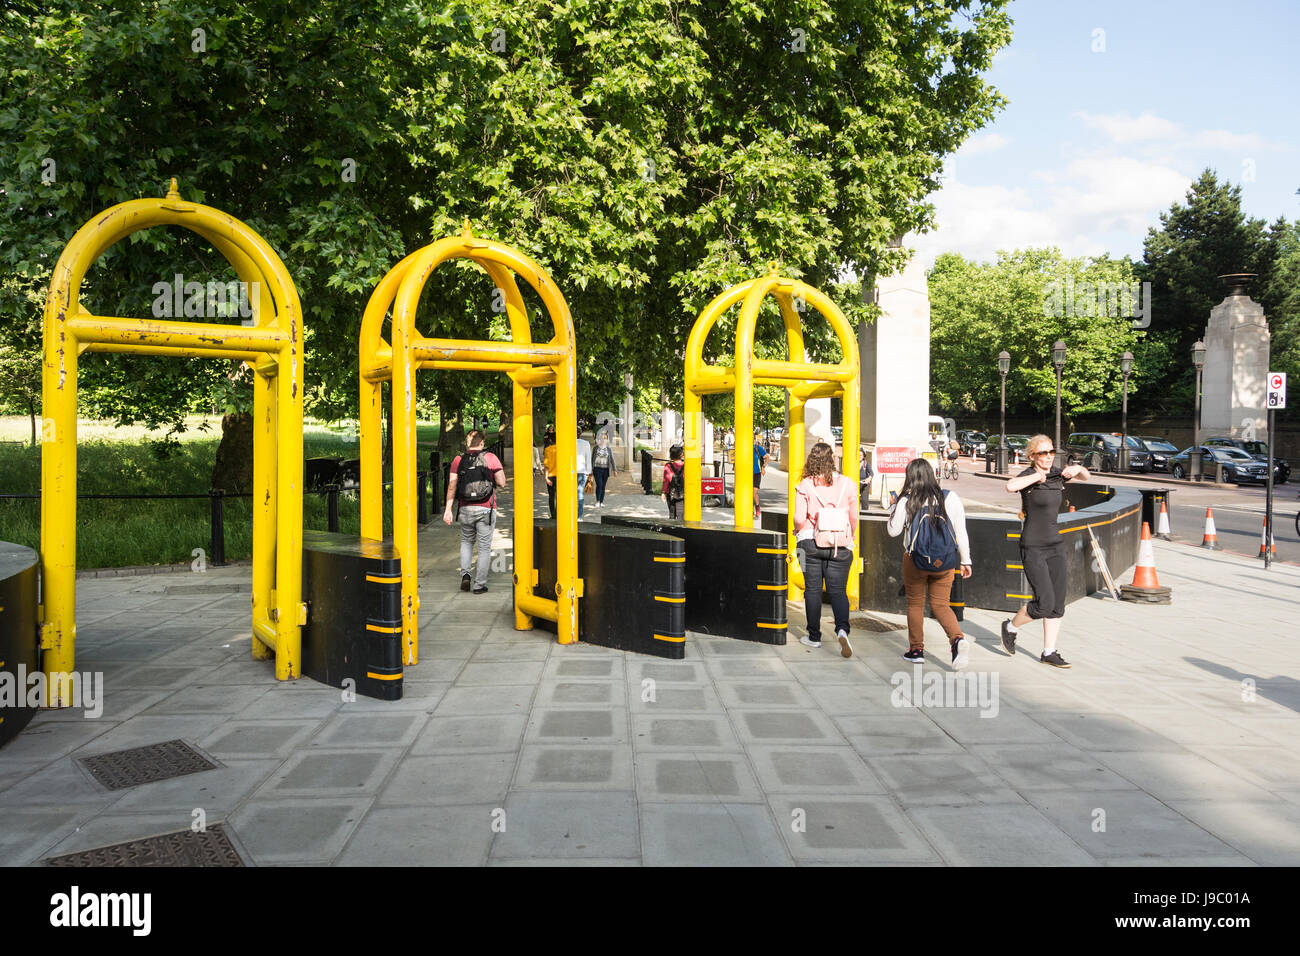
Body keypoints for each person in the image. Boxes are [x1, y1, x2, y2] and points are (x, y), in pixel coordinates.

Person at [1001, 434, 1090, 667]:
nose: (1049, 457)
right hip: (1033, 547)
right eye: (1043, 453)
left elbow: (1087, 476)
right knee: (1044, 603)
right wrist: (1035, 477)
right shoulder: (1029, 476)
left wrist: (1077, 468)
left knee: (1058, 603)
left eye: (1051, 452)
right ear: (1033, 456)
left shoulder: (1057, 475)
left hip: (1056, 546)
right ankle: (1010, 627)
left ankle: (1048, 652)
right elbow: (1010, 486)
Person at [886, 458, 972, 666]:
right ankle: (957, 638)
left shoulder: (907, 501)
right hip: (945, 561)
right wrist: (966, 560)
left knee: (915, 604)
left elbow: (893, 531)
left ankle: (916, 651)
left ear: (910, 477)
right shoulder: (950, 498)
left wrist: (893, 507)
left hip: (915, 560)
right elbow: (960, 531)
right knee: (941, 605)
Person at [793, 442, 857, 658]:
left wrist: (797, 529)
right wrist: (851, 535)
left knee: (812, 590)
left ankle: (814, 636)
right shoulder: (848, 484)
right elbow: (854, 517)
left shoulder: (806, 484)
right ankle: (842, 630)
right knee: (838, 590)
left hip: (809, 542)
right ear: (833, 460)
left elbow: (799, 518)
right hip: (840, 543)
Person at [444, 430, 507, 594]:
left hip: (465, 507)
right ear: (482, 443)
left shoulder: (458, 460)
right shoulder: (490, 458)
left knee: (466, 542)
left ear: (467, 443)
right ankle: (480, 585)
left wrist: (448, 509)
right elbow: (502, 482)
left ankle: (465, 575)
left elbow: (452, 485)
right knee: (484, 547)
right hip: (486, 508)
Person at [591, 430, 617, 508]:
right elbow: (592, 458)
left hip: (606, 469)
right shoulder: (595, 448)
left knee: (603, 486)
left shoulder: (608, 449)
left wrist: (614, 469)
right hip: (597, 469)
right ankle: (597, 501)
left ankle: (601, 501)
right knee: (599, 484)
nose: (603, 440)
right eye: (602, 438)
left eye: (605, 438)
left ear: (607, 439)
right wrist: (590, 469)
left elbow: (612, 459)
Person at [662, 444, 686, 518]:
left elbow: (666, 480)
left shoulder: (668, 466)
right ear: (682, 455)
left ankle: (671, 528)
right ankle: (680, 528)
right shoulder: (686, 465)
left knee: (672, 514)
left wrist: (663, 493)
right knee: (680, 515)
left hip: (671, 493)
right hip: (682, 493)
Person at [575, 426, 592, 518]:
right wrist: (588, 471)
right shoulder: (586, 443)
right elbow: (588, 458)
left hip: (570, 471)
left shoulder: (567, 443)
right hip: (582, 471)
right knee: (580, 494)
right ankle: (579, 516)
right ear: (580, 433)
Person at [542, 425, 557, 520]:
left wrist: (546, 477)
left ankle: (553, 515)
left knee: (552, 496)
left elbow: (547, 466)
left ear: (550, 440)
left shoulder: (547, 450)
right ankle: (560, 513)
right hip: (561, 476)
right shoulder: (562, 449)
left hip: (551, 475)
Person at [752, 431, 767, 519]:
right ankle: (749, 510)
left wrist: (763, 467)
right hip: (745, 474)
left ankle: (757, 507)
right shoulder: (742, 448)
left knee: (754, 493)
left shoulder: (757, 448)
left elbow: (767, 457)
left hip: (756, 473)